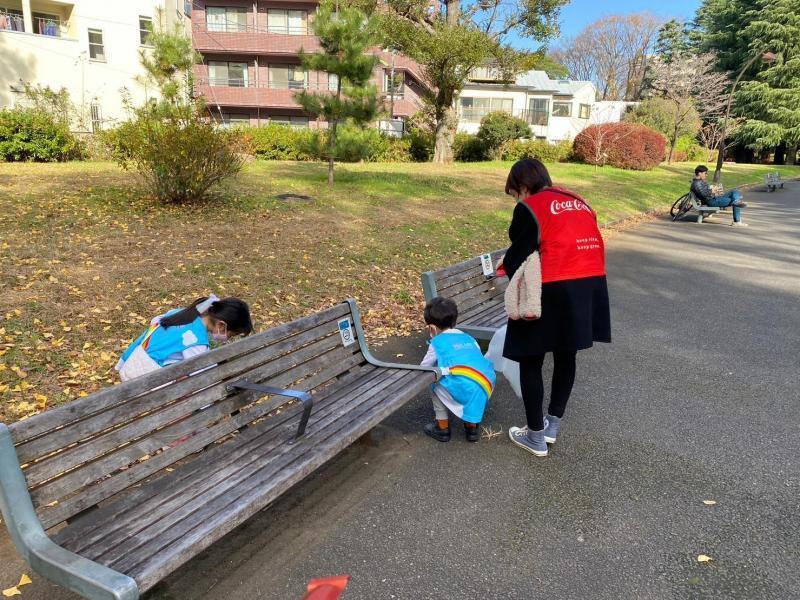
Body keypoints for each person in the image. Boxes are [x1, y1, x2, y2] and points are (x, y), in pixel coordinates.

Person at [499, 159, 611, 457]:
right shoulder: (577, 200)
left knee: (530, 358)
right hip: (589, 282)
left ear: (523, 186)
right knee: (566, 354)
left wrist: (506, 270)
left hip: (551, 286)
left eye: (515, 193)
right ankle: (551, 426)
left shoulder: (531, 206)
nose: (517, 199)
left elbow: (519, 254)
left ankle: (534, 436)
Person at [116, 294, 253, 381]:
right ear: (221, 325)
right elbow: (199, 377)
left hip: (132, 361)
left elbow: (151, 327)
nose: (228, 339)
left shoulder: (181, 314)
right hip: (144, 378)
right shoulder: (196, 341)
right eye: (232, 334)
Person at [420, 296, 496, 443]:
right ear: (454, 321)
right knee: (469, 382)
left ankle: (442, 428)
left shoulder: (436, 342)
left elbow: (424, 368)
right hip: (486, 385)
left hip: (465, 388)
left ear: (432, 328)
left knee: (432, 381)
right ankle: (471, 428)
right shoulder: (469, 338)